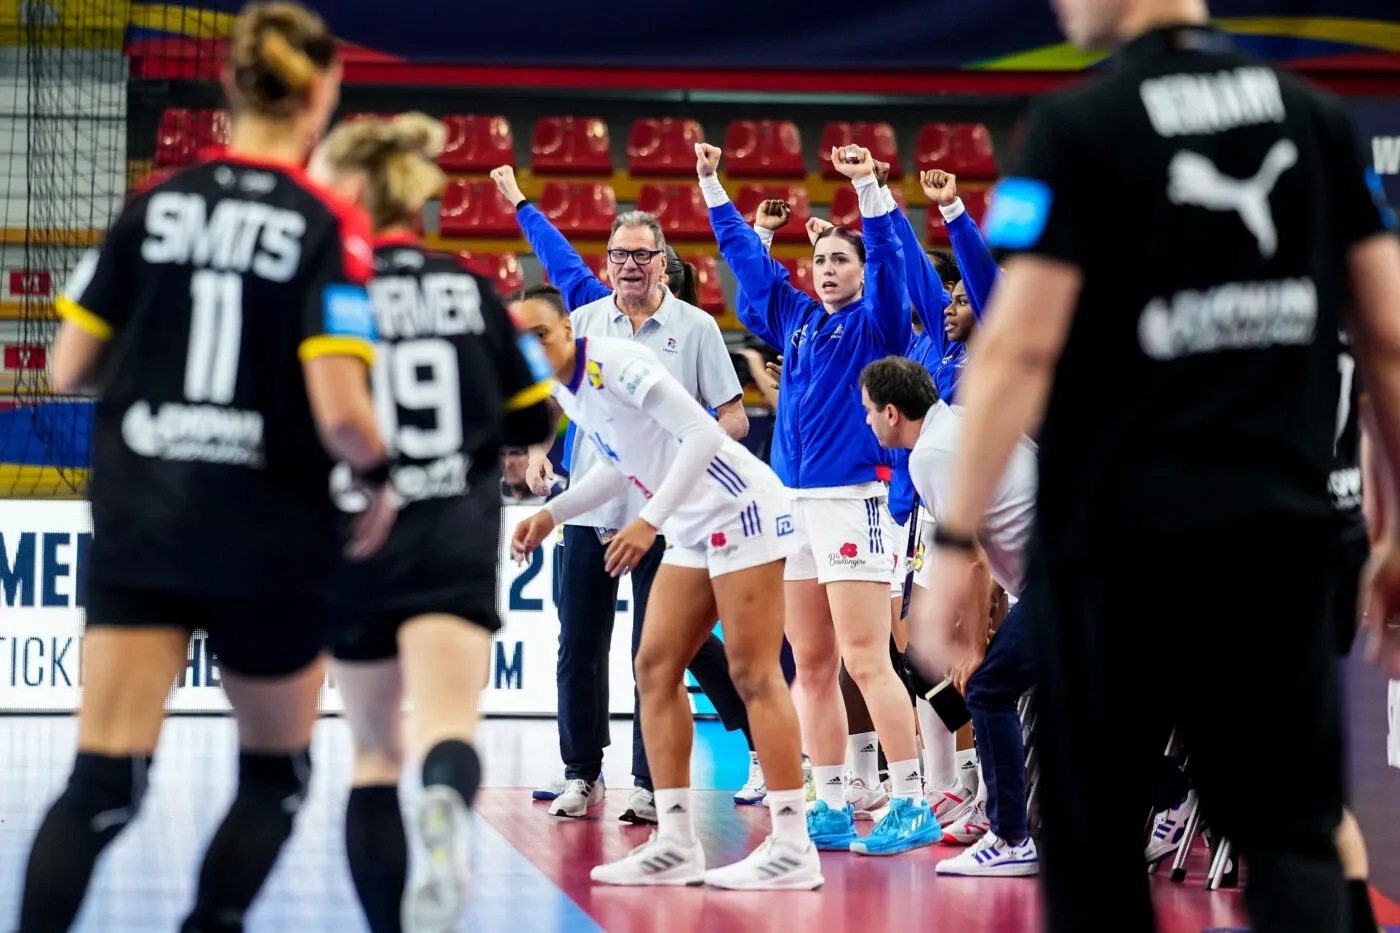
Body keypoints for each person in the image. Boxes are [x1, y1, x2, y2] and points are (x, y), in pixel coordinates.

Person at [918, 1, 1400, 930]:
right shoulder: (1315, 119)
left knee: (1095, 848)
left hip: (1117, 558)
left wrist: (949, 543)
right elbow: (1387, 335)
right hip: (1278, 547)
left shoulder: (1076, 127)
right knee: (1292, 839)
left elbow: (1016, 350)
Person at [20, 4, 394, 930]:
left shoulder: (155, 205)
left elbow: (66, 366)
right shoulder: (328, 223)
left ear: (230, 85)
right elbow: (341, 409)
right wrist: (383, 476)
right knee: (276, 774)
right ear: (322, 96)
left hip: (144, 515)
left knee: (102, 780)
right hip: (267, 528)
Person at [305, 113, 555, 933]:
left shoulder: (336, 291)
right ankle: (446, 800)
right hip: (454, 531)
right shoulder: (477, 292)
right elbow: (534, 425)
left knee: (374, 753)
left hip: (359, 531)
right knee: (450, 723)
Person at [508, 313, 821, 891]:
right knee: (655, 667)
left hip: (743, 511)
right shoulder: (566, 387)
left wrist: (648, 522)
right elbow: (620, 468)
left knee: (754, 675)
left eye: (541, 334)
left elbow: (704, 434)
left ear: (566, 327)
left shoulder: (616, 363)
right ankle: (676, 842)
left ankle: (794, 845)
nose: (531, 348)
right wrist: (552, 513)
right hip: (695, 525)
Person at [488, 170, 756, 821]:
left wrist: (674, 460)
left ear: (663, 262)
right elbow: (557, 401)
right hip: (594, 507)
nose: (630, 265)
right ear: (605, 262)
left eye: (642, 254)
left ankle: (649, 780)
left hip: (666, 516)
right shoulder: (579, 321)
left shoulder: (694, 328)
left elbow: (730, 419)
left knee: (658, 650)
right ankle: (583, 773)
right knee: (578, 642)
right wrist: (536, 459)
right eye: (619, 254)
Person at [701, 140, 941, 856]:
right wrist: (714, 188)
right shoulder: (801, 322)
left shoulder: (877, 321)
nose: (828, 269)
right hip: (796, 504)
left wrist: (869, 187)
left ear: (863, 273)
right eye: (823, 261)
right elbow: (752, 272)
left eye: (842, 260)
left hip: (853, 501)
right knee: (809, 664)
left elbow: (895, 265)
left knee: (868, 659)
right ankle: (831, 802)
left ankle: (910, 800)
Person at [861, 357, 1039, 876]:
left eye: (870, 411)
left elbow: (972, 559)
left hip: (1063, 582)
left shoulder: (930, 455)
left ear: (893, 413)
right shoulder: (957, 421)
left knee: (986, 688)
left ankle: (1010, 839)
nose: (867, 421)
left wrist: (973, 649)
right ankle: (1172, 795)